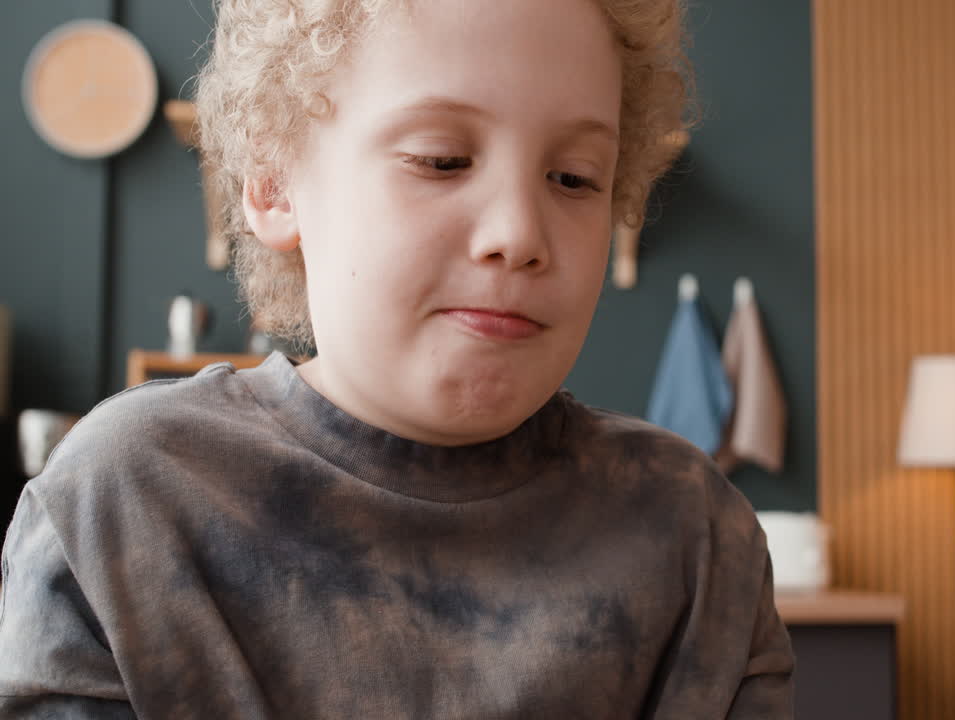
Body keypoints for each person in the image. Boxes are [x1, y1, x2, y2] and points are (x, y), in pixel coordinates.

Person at [0, 0, 795, 717]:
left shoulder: (695, 536)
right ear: (275, 182)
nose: (519, 233)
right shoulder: (121, 504)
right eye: (442, 160)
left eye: (574, 178)